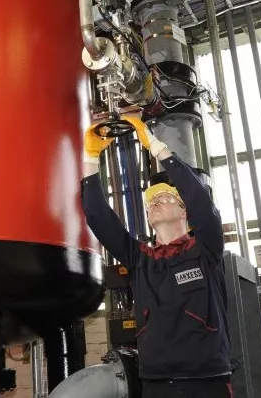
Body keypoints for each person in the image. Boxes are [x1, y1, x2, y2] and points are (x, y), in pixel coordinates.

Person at [81, 115, 233, 398]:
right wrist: (90, 158)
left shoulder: (203, 249)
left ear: (184, 211)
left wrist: (156, 147)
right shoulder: (142, 259)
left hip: (206, 380)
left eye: (164, 199)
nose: (155, 204)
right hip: (156, 382)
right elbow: (97, 216)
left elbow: (202, 202)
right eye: (151, 202)